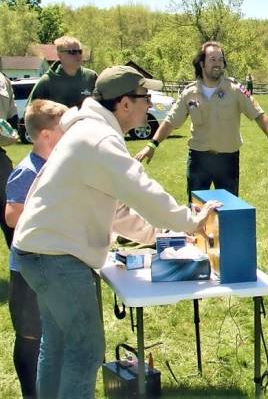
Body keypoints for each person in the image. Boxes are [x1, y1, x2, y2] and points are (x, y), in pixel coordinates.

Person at [13, 66, 221, 398]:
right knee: (85, 350)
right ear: (124, 104)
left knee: (58, 344)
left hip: (35, 252)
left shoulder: (89, 132)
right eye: (145, 97)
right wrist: (190, 220)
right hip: (56, 258)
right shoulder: (99, 139)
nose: (149, 104)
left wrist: (160, 235)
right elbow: (141, 189)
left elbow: (119, 211)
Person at [135, 41, 268, 201]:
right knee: (197, 211)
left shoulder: (236, 89)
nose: (218, 64)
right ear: (202, 63)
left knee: (229, 212)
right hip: (199, 160)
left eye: (220, 60)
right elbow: (170, 122)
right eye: (212, 59)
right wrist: (152, 145)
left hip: (227, 160)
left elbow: (258, 114)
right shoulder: (189, 93)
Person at [6, 100, 66, 398]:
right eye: (63, 129)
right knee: (30, 336)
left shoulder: (57, 166)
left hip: (52, 265)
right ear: (45, 135)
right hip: (26, 272)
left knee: (54, 333)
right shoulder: (27, 171)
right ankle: (32, 393)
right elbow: (11, 215)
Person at [27, 36, 97, 108]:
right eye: (73, 52)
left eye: (80, 51)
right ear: (59, 55)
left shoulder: (91, 77)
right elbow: (30, 111)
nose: (78, 55)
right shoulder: (47, 82)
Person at [0, 72, 19, 249]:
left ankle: (19, 270)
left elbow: (13, 118)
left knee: (11, 217)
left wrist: (9, 131)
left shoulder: (3, 80)